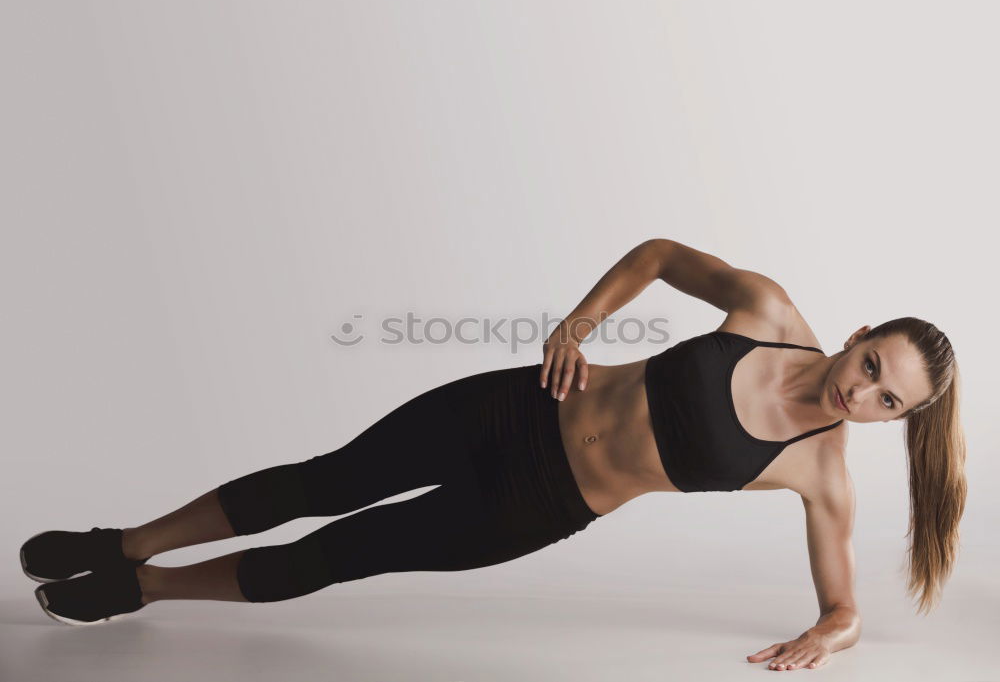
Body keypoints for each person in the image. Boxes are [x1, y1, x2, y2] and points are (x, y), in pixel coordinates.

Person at [21, 239, 966, 671]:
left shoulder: (820, 471)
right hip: (517, 408)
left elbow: (843, 607)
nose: (863, 393)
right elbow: (660, 254)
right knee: (322, 480)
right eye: (873, 365)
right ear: (858, 332)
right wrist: (577, 323)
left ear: (896, 420)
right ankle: (129, 541)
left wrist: (825, 637)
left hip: (535, 507)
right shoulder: (765, 308)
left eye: (890, 402)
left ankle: (141, 592)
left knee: (337, 553)